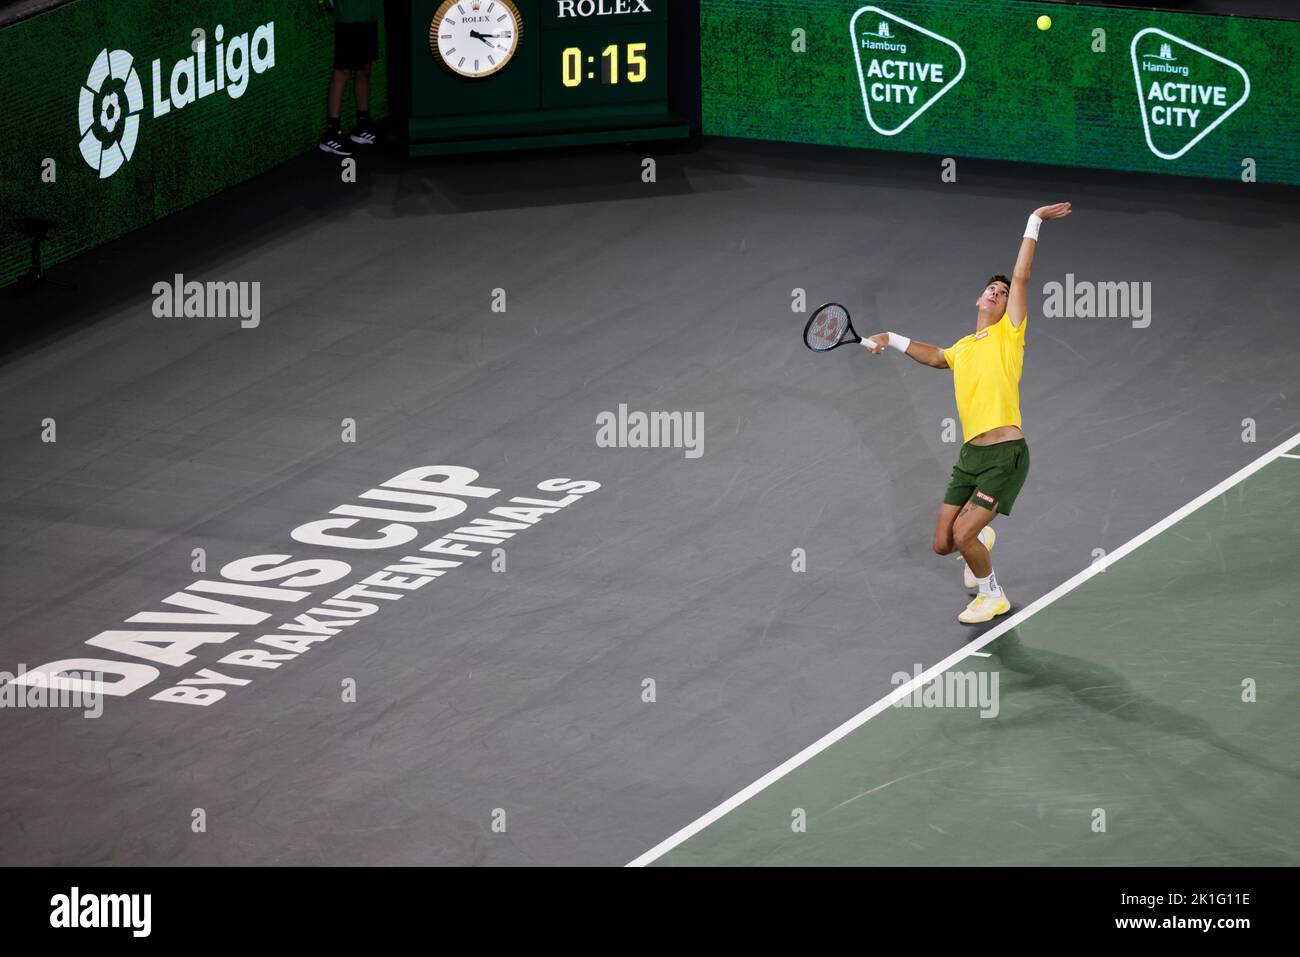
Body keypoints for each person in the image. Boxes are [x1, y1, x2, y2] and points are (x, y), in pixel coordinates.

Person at [863, 202, 1073, 623]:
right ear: (979, 298)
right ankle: (981, 538)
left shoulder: (1009, 334)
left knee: (963, 533)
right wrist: (891, 336)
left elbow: (1023, 276)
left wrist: (1034, 221)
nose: (999, 292)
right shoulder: (962, 348)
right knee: (943, 544)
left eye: (1005, 292)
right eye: (992, 290)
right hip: (970, 457)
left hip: (1006, 455)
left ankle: (993, 595)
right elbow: (935, 357)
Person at [319, 0, 384, 156]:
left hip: (368, 14)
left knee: (364, 69)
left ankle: (362, 126)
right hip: (348, 16)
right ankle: (332, 134)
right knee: (343, 72)